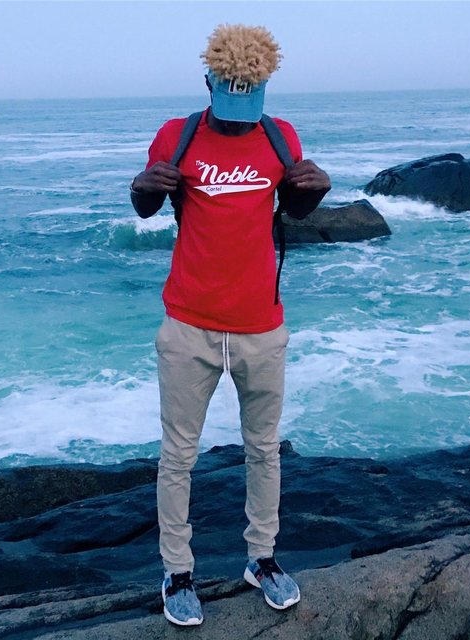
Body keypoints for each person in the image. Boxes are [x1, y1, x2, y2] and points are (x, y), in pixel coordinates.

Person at [130, 24, 331, 626]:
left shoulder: (280, 136)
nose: (240, 120)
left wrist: (315, 191)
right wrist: (141, 187)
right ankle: (177, 571)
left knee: (264, 450)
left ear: (266, 86)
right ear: (208, 83)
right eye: (229, 100)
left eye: (251, 101)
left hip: (260, 327)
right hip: (188, 325)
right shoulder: (178, 135)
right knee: (177, 456)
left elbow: (294, 210)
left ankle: (261, 559)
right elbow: (148, 205)